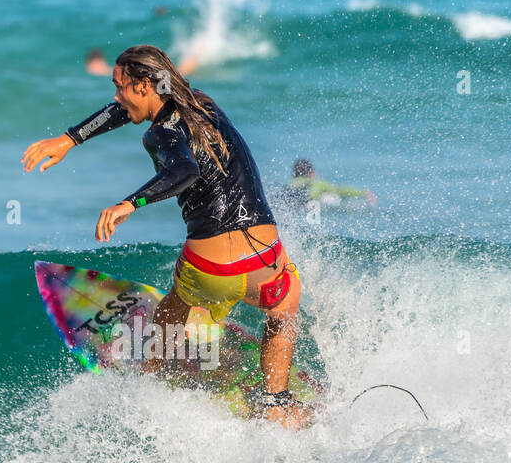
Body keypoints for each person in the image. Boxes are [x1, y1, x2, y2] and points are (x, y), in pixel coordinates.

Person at [22, 44, 307, 426]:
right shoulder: (203, 104)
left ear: (143, 86)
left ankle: (152, 377)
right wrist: (71, 138)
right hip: (265, 261)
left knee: (176, 305)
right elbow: (128, 110)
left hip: (211, 268)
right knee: (283, 308)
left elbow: (184, 172)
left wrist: (131, 203)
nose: (116, 96)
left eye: (120, 86)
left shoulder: (159, 136)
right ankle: (277, 401)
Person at [282, 159, 376, 208]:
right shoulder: (317, 183)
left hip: (289, 201)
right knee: (330, 198)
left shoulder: (291, 183)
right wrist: (363, 192)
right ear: (312, 172)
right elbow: (340, 190)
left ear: (294, 174)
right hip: (307, 202)